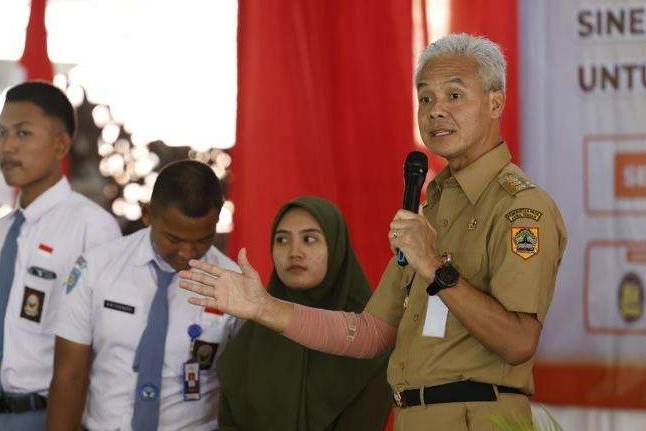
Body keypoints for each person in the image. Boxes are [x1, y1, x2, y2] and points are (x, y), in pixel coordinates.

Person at [179, 33, 568, 430]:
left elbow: (518, 342)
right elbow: (369, 334)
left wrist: (436, 268)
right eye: (426, 98)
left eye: (454, 95)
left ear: (494, 101)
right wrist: (264, 307)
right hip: (413, 417)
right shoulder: (431, 207)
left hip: (479, 417)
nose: (435, 111)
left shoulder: (520, 207)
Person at [0, 81, 121, 431]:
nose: (7, 146)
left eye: (23, 133)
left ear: (61, 144)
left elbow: (101, 351)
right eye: (2, 133)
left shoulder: (92, 229)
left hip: (48, 417)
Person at [47, 160, 241, 431]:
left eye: (202, 240)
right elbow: (69, 375)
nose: (187, 253)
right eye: (173, 239)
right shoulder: (96, 268)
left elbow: (245, 389)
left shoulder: (234, 285)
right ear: (148, 214)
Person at [217, 196, 392, 431]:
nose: (294, 252)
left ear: (335, 245)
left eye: (309, 239)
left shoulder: (370, 334)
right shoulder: (253, 335)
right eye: (282, 240)